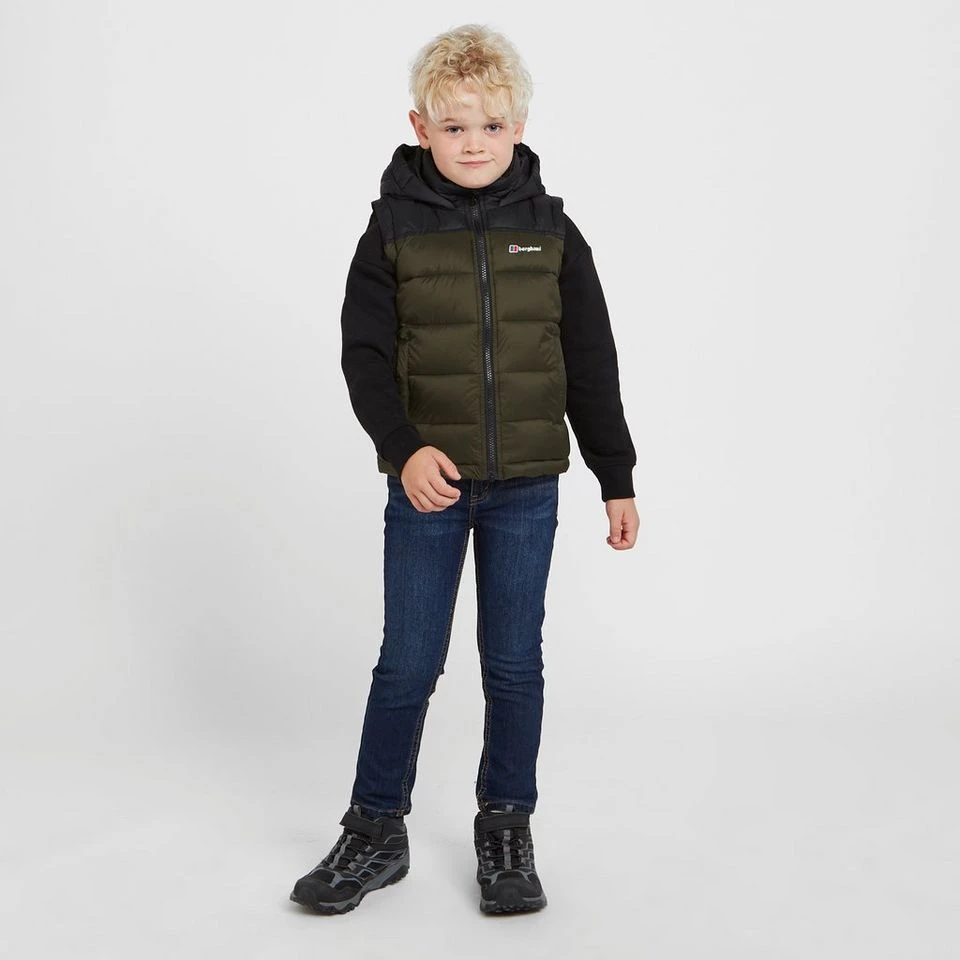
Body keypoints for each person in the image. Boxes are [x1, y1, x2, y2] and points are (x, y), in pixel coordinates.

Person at [290, 23, 640, 916]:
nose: (473, 144)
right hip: (428, 487)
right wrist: (404, 448)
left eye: (489, 126)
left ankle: (506, 827)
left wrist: (616, 475)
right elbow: (365, 357)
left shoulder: (551, 232)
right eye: (453, 127)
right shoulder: (392, 230)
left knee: (513, 664)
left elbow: (590, 360)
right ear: (420, 128)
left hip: (526, 487)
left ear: (518, 126)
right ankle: (375, 829)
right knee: (408, 663)